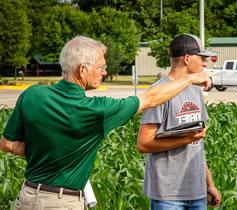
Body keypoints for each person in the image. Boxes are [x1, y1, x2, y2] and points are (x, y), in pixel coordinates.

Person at [0, 35, 214, 210]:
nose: (105, 72)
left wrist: (47, 152)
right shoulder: (96, 110)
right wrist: (189, 79)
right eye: (101, 67)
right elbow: (149, 99)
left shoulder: (32, 94)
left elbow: (8, 144)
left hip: (27, 196)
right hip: (62, 202)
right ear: (82, 70)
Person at [137, 33, 221, 209]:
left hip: (197, 191)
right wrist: (185, 139)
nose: (205, 64)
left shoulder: (196, 90)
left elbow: (197, 143)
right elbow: (143, 144)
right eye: (202, 58)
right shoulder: (159, 92)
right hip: (168, 195)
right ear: (187, 58)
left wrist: (209, 183)